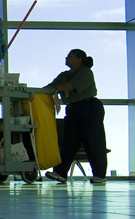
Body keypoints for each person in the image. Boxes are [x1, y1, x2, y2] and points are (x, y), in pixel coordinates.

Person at [43, 49, 107, 184]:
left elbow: (70, 86)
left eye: (70, 56)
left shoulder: (85, 72)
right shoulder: (64, 75)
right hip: (73, 109)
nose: (66, 58)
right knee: (68, 142)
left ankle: (99, 175)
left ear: (79, 59)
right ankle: (60, 173)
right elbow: (51, 86)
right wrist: (38, 92)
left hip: (89, 108)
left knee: (94, 142)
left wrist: (55, 88)